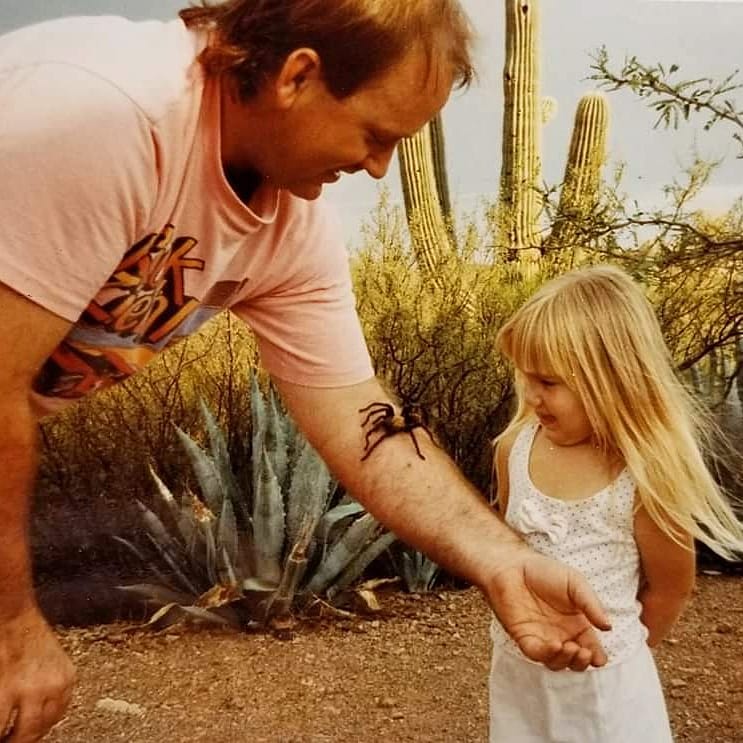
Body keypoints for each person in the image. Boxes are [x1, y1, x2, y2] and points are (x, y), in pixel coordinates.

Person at [0, 2, 613, 740]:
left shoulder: (290, 226)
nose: (380, 167)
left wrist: (501, 560)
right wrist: (10, 624)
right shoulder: (102, 114)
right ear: (297, 75)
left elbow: (361, 420)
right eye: (376, 134)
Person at [488, 264, 743, 742]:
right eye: (527, 378)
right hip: (518, 669)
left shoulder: (642, 474)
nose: (533, 396)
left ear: (611, 382)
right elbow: (506, 550)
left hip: (606, 686)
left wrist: (619, 656)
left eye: (550, 382)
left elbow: (670, 589)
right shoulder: (513, 450)